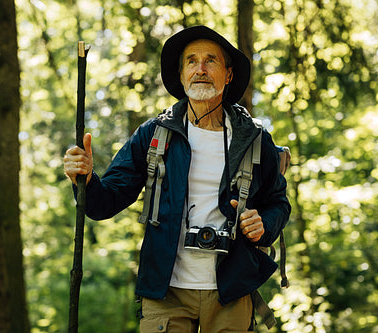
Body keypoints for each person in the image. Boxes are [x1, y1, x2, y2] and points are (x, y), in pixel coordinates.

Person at [64, 25, 290, 332]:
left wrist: (263, 224)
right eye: (191, 61)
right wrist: (86, 179)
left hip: (232, 290)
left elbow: (278, 203)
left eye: (211, 61)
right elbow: (104, 203)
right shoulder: (154, 135)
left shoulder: (254, 139)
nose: (200, 69)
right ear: (181, 74)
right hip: (165, 291)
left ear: (228, 75)